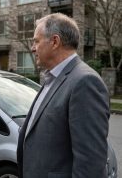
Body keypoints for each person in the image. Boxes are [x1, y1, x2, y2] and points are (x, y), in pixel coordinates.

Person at [17, 13, 110, 178]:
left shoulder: (85, 82)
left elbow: (90, 163)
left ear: (54, 42)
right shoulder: (52, 77)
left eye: (36, 41)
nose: (32, 47)